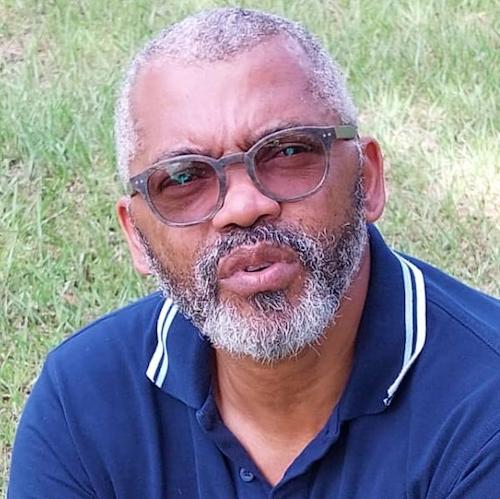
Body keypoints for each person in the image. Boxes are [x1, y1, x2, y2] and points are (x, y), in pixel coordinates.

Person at [8, 7, 500, 499]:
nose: (243, 208)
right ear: (137, 235)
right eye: (183, 178)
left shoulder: (485, 403)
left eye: (288, 152)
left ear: (367, 180)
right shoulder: (82, 403)